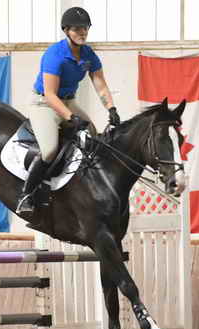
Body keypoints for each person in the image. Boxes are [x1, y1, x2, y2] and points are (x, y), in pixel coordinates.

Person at [16, 6, 121, 217]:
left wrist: (111, 108)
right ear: (66, 30)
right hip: (43, 103)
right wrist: (71, 117)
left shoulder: (88, 54)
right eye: (77, 29)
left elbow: (100, 84)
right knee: (49, 150)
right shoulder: (55, 55)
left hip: (68, 101)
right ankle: (26, 195)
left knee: (95, 138)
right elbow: (50, 94)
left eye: (85, 28)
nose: (82, 32)